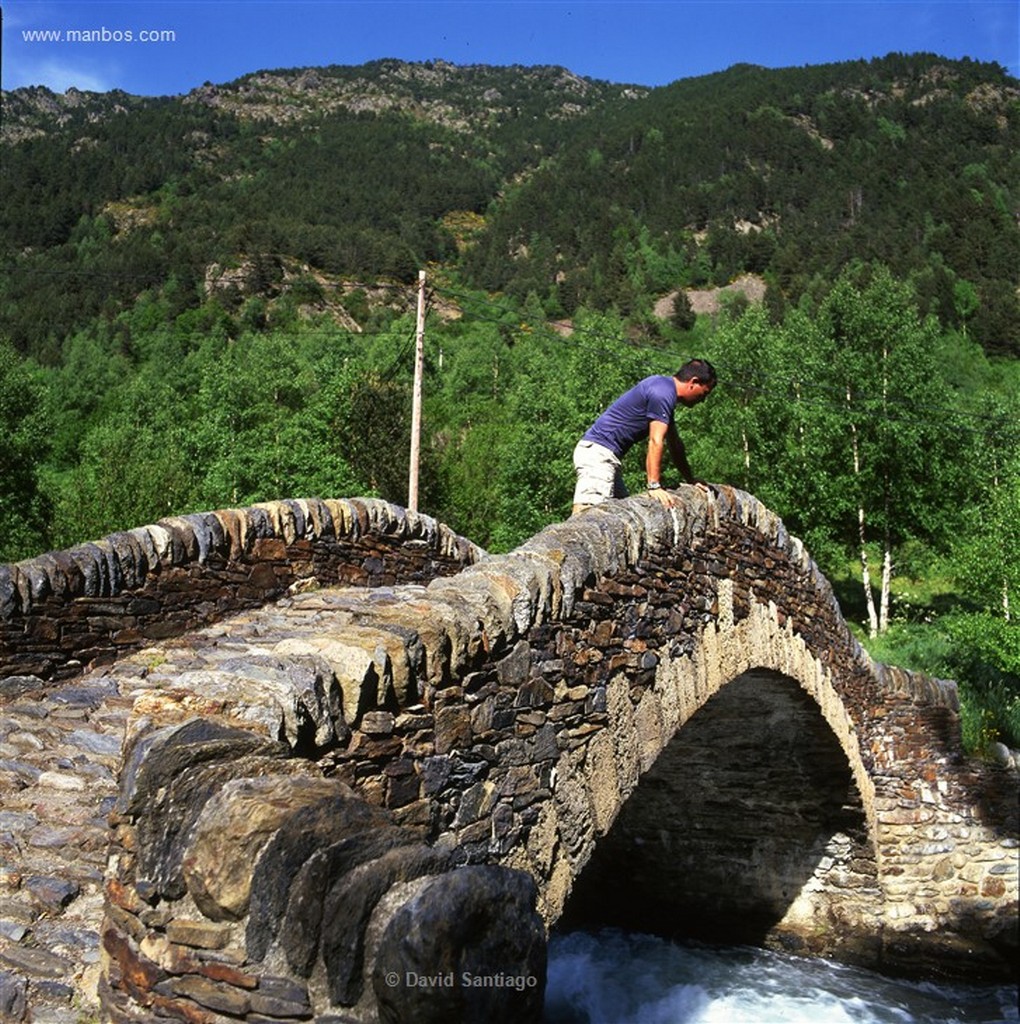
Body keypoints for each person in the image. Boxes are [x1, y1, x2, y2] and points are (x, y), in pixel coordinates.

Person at [572, 359, 716, 515]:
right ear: (693, 382)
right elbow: (655, 441)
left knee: (622, 516)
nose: (702, 400)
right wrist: (654, 486)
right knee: (588, 515)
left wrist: (691, 479)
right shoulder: (662, 393)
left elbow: (675, 445)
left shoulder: (664, 391)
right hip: (598, 455)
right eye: (704, 393)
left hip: (605, 456)